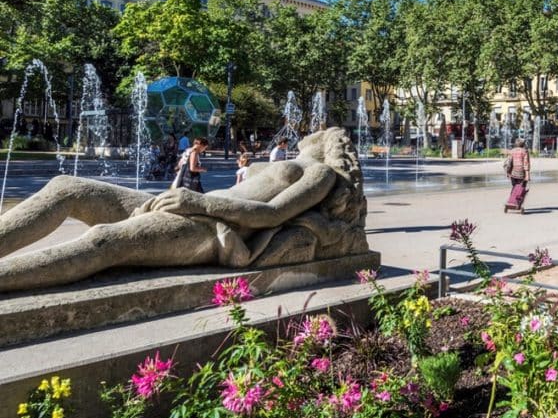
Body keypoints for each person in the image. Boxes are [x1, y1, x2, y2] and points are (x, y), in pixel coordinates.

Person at [0, 128, 369, 293]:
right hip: (188, 205)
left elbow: (271, 214)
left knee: (105, 240)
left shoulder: (318, 172)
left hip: (212, 225)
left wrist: (198, 202)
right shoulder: (290, 160)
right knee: (68, 187)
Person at [504, 138, 531, 213]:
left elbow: (509, 163)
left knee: (514, 188)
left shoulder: (512, 151)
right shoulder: (525, 151)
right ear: (523, 144)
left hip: (513, 174)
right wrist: (527, 175)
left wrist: (508, 172)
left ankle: (510, 202)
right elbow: (526, 164)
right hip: (522, 174)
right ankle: (518, 205)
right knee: (521, 190)